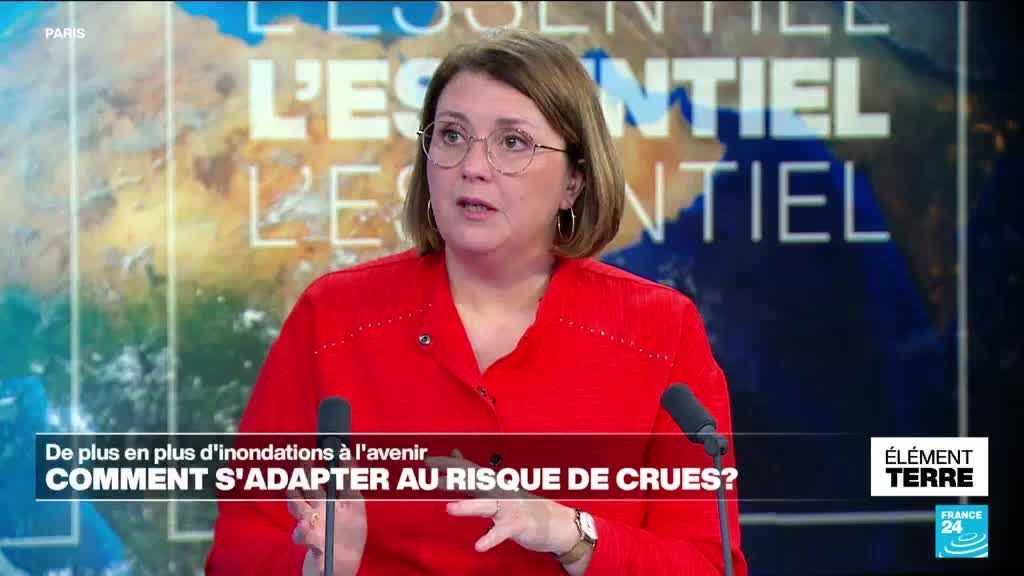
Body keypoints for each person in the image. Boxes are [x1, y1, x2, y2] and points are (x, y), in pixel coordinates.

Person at [206, 27, 747, 576]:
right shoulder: (334, 317)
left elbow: (709, 565)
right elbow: (239, 547)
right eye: (451, 135)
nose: (472, 165)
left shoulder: (659, 330)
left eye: (512, 142)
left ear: (574, 181)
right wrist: (321, 567)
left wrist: (572, 534)